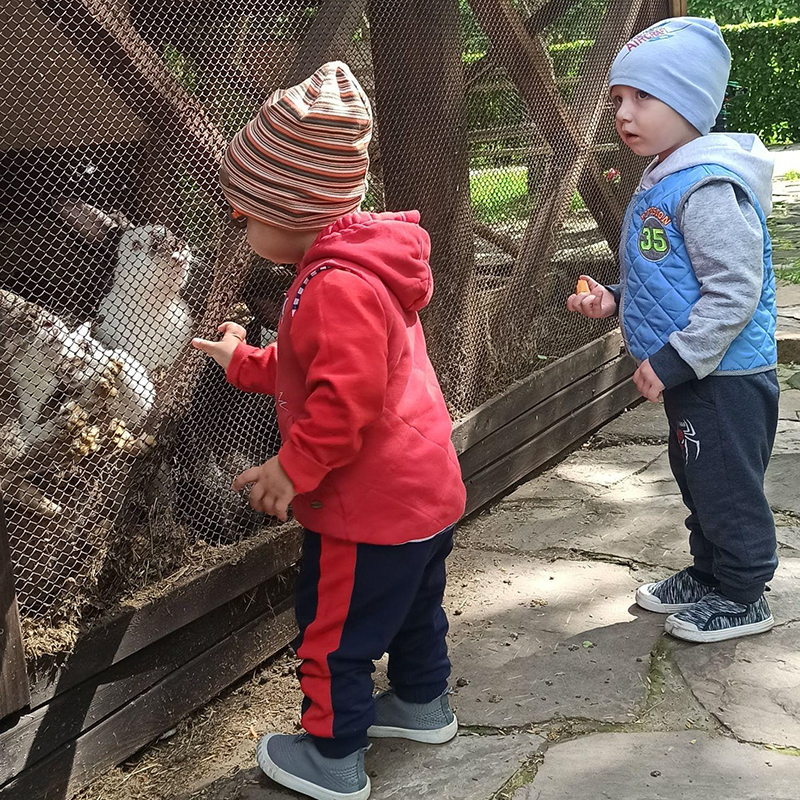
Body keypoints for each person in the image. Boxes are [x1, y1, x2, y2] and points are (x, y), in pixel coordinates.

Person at [192, 62, 466, 800]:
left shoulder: (335, 284)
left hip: (367, 511)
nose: (239, 225)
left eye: (244, 212)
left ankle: (332, 756)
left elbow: (344, 398)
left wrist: (292, 469)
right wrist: (244, 361)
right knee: (413, 608)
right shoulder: (355, 267)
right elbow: (318, 364)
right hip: (421, 497)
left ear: (291, 205)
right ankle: (421, 702)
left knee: (333, 632)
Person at [567, 18, 779, 644]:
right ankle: (710, 572)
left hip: (724, 372)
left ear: (689, 102)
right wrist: (615, 299)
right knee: (698, 475)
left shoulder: (708, 185)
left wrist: (675, 359)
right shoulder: (668, 174)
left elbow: (733, 291)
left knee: (726, 486)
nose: (623, 114)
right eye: (617, 100)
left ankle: (744, 593)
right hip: (697, 371)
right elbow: (674, 273)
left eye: (642, 98)